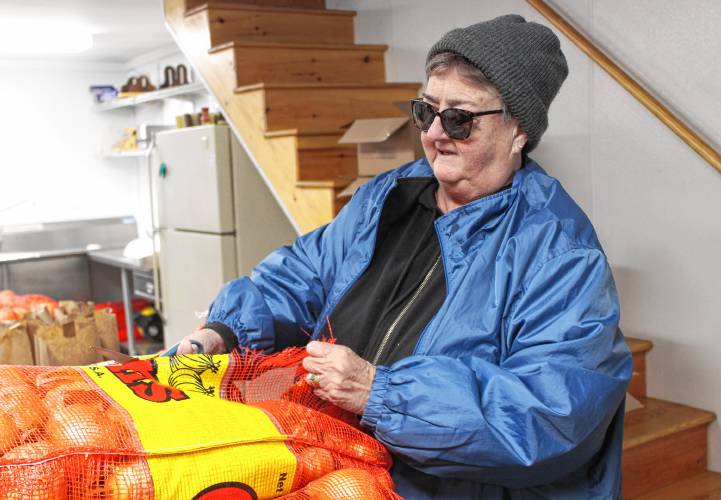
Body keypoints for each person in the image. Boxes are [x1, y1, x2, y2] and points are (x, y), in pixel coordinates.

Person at [178, 14, 632, 499]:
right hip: (334, 469)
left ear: (518, 130)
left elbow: (549, 417)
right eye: (426, 111)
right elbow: (305, 273)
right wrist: (225, 329)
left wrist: (379, 393)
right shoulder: (387, 195)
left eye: (460, 118)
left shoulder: (560, 253)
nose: (436, 133)